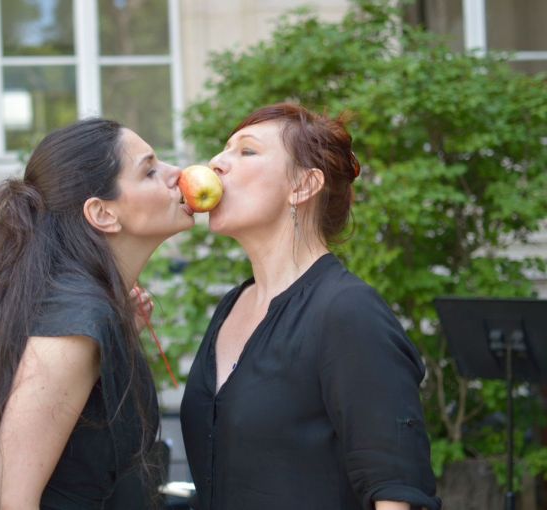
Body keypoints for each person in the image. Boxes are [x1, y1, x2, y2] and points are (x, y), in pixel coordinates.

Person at [0, 118, 194, 510]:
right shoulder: (75, 321)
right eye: (150, 170)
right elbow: (12, 501)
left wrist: (119, 336)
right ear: (103, 213)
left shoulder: (84, 312)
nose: (178, 174)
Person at [180, 102, 441, 510]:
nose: (216, 163)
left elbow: (394, 491)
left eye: (246, 151)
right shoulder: (232, 306)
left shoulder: (348, 311)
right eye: (223, 150)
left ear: (302, 186)